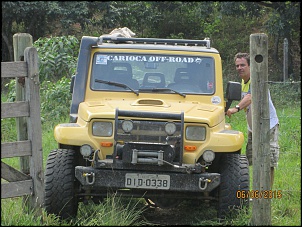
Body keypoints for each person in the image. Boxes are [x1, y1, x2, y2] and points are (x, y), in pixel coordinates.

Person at [226, 52, 280, 189]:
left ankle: (266, 196)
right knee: (254, 161)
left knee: (268, 162)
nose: (239, 68)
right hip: (253, 128)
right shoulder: (243, 83)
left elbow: (250, 97)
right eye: (237, 65)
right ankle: (258, 192)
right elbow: (238, 97)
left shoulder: (257, 79)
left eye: (243, 65)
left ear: (250, 66)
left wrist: (236, 108)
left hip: (268, 126)